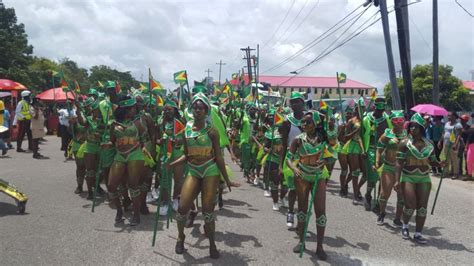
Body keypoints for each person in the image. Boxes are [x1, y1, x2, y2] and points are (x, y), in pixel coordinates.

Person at [170, 93, 238, 259]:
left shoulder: (212, 131)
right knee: (182, 207)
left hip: (210, 170)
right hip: (193, 170)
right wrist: (170, 165)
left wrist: (227, 180)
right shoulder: (186, 129)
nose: (198, 110)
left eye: (201, 107)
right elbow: (186, 155)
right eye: (195, 107)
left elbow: (219, 157)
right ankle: (180, 236)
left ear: (207, 110)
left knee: (208, 211)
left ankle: (212, 244)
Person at [394, 113, 444, 244]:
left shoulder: (429, 144)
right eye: (411, 127)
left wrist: (439, 164)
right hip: (408, 177)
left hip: (424, 178)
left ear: (421, 128)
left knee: (422, 207)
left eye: (415, 127)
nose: (412, 129)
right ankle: (405, 226)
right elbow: (399, 163)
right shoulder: (404, 143)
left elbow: (432, 162)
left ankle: (418, 233)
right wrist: (396, 180)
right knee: (410, 205)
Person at [286, 111, 328, 260]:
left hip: (318, 176)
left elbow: (330, 155)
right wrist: (294, 168)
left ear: (316, 123)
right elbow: (289, 159)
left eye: (308, 122)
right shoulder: (298, 140)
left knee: (320, 211)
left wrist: (325, 161)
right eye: (303, 122)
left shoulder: (324, 139)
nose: (304, 124)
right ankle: (302, 241)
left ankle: (320, 246)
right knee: (302, 210)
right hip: (302, 176)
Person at [107, 95, 147, 226]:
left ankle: (136, 215)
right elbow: (112, 141)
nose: (135, 110)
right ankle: (119, 211)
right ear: (126, 110)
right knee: (112, 186)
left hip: (135, 154)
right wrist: (106, 144)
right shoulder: (114, 125)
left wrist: (146, 148)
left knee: (133, 185)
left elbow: (144, 140)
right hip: (120, 155)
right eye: (132, 108)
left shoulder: (138, 123)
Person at [375, 110, 407, 226]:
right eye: (395, 120)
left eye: (400, 120)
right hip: (389, 167)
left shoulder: (408, 135)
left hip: (403, 169)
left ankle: (397, 218)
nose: (398, 122)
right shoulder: (386, 135)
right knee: (384, 194)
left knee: (402, 195)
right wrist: (377, 162)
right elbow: (379, 149)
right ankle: (382, 213)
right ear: (392, 122)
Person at [279, 91, 305, 228]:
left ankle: (302, 220)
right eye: (292, 102)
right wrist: (280, 165)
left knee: (306, 191)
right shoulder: (286, 121)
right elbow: (284, 144)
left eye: (298, 102)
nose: (295, 104)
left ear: (303, 103)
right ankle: (290, 212)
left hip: (307, 158)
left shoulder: (310, 119)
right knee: (294, 189)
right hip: (292, 159)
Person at [440, 112, 462, 179]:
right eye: (448, 115)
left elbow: (459, 135)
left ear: (455, 116)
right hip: (445, 143)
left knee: (454, 159)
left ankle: (456, 173)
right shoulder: (447, 123)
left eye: (450, 115)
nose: (449, 117)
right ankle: (446, 172)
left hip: (453, 144)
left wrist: (456, 144)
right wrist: (440, 141)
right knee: (445, 159)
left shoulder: (458, 125)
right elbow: (444, 133)